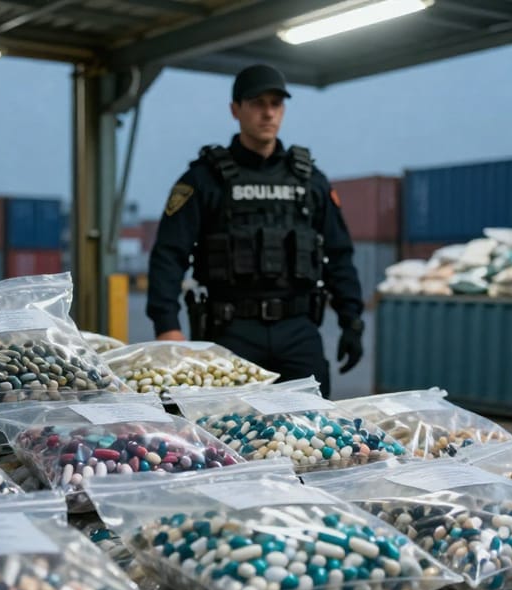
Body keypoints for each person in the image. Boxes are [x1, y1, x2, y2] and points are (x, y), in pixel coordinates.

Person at [145, 63, 365, 398]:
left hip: (298, 330)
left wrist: (352, 320)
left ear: (283, 110)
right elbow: (168, 254)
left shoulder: (309, 181)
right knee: (228, 430)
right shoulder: (204, 179)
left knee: (317, 430)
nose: (267, 113)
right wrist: (167, 326)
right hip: (232, 329)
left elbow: (339, 254)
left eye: (275, 104)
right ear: (236, 110)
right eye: (257, 103)